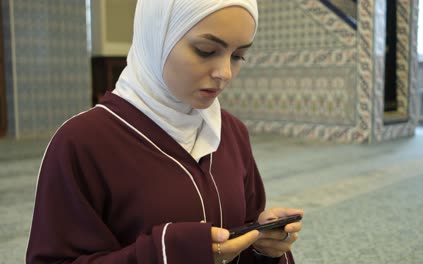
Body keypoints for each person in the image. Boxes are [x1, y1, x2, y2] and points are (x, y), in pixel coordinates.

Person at [26, 0, 304, 263]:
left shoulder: (231, 132)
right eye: (206, 51)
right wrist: (167, 253)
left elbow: (241, 236)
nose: (225, 73)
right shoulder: (81, 143)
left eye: (238, 55)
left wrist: (260, 247)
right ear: (157, 38)